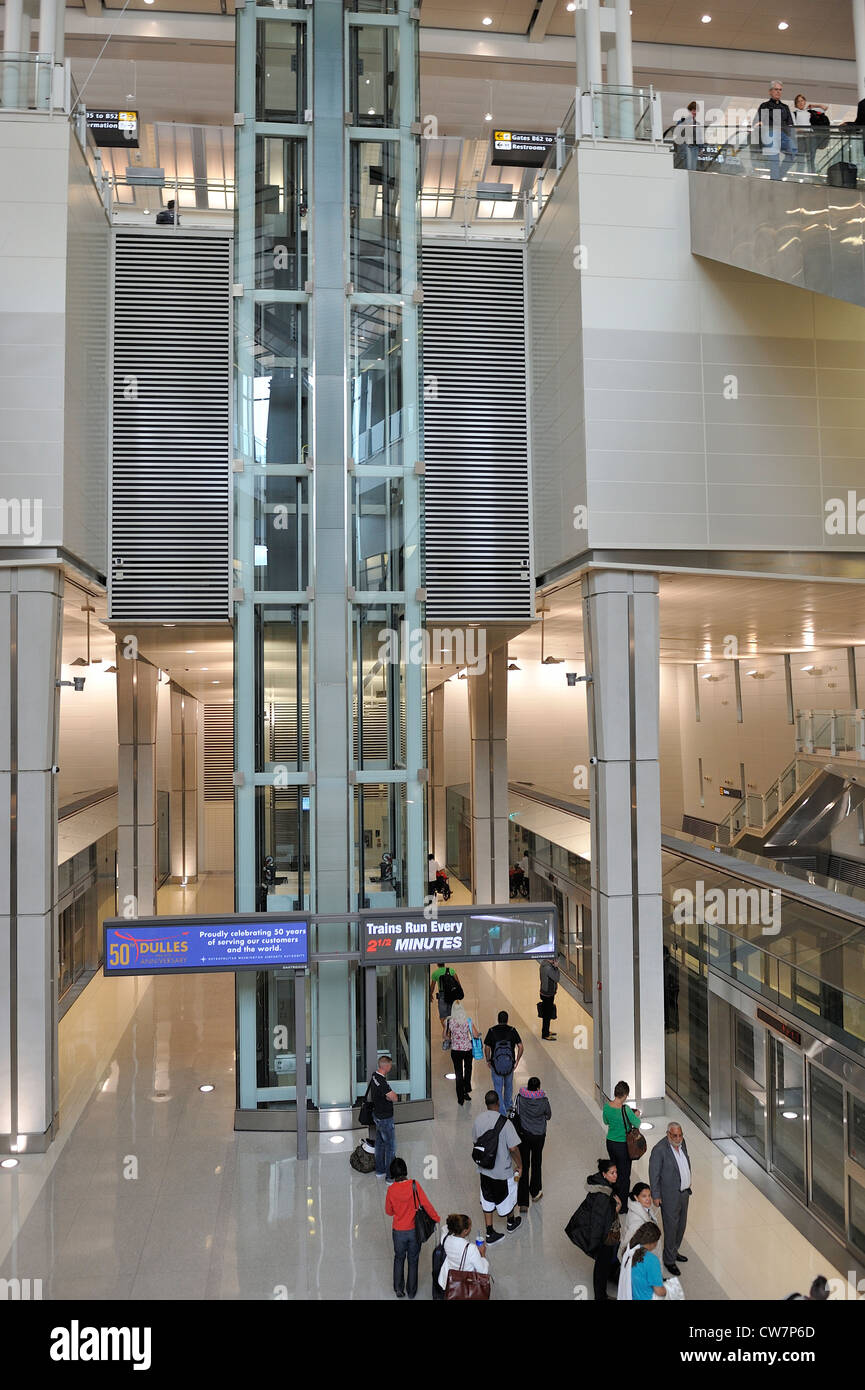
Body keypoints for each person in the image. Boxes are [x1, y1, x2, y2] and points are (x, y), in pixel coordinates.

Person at [385, 1157, 440, 1299]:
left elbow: (389, 1211)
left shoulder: (391, 1190)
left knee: (399, 1258)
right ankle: (411, 1291)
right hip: (414, 1231)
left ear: (392, 1174)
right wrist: (436, 1218)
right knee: (413, 1260)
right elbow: (426, 1205)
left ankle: (398, 1288)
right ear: (405, 1170)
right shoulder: (414, 1185)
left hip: (398, 1232)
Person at [472, 1090, 523, 1242]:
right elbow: (513, 1148)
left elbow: (475, 1142)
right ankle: (511, 1222)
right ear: (498, 1103)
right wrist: (520, 1165)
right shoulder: (505, 1123)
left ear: (486, 1103)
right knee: (508, 1195)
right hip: (502, 1170)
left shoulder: (478, 1120)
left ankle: (489, 1232)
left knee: (487, 1197)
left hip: (485, 1169)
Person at [649, 1121, 693, 1275]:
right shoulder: (659, 1150)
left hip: (684, 1193)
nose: (678, 1138)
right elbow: (653, 1174)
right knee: (671, 1228)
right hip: (669, 1196)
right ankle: (669, 1260)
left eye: (680, 1135)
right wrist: (655, 1195)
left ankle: (674, 1251)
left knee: (681, 1226)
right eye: (675, 1135)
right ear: (668, 1134)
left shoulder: (682, 1143)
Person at [583, 1159, 622, 1301]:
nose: (615, 1175)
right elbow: (600, 1220)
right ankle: (600, 1296)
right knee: (601, 1266)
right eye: (612, 1173)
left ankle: (612, 1275)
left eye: (616, 1172)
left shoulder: (605, 1186)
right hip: (605, 1237)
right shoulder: (603, 1195)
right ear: (604, 1174)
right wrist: (615, 1209)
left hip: (607, 1235)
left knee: (607, 1261)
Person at [514, 1075, 551, 1211]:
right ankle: (535, 1192)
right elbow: (548, 1115)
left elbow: (516, 1112)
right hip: (539, 1136)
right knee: (537, 1162)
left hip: (524, 1135)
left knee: (524, 1164)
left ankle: (523, 1202)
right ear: (538, 1088)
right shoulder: (543, 1100)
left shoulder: (520, 1098)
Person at [603, 1080, 642, 1208]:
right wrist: (636, 1115)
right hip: (623, 1146)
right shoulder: (625, 1109)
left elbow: (606, 1121)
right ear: (625, 1095)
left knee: (614, 1171)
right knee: (624, 1175)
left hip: (610, 1143)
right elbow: (637, 1124)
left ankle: (613, 1198)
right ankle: (623, 1205)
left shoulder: (607, 1106)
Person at [437, 1214, 490, 1295]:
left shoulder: (444, 1238)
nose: (471, 1228)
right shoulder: (471, 1249)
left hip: (447, 1279)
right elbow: (483, 1271)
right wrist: (482, 1254)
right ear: (465, 1231)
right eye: (470, 1227)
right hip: (465, 1283)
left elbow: (445, 1227)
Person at [483, 1010, 523, 1115]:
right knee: (509, 1086)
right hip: (509, 1065)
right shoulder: (512, 1030)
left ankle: (501, 1112)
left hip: (496, 1065)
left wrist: (488, 1060)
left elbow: (487, 1047)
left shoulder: (492, 1031)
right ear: (507, 1020)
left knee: (498, 1088)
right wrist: (517, 1060)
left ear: (498, 1019)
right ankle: (509, 1107)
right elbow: (520, 1046)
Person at [755, 81, 797, 180]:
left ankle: (778, 177)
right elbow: (758, 122)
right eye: (776, 89)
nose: (778, 92)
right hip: (770, 135)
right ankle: (775, 180)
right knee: (775, 160)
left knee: (793, 152)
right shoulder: (764, 106)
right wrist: (760, 123)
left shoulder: (785, 107)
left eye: (780, 90)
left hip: (783, 135)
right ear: (770, 92)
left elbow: (790, 124)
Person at [444, 1000, 481, 1105]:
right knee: (468, 1070)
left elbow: (445, 1036)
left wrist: (452, 1038)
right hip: (467, 1050)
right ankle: (466, 1090)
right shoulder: (468, 1021)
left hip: (455, 1051)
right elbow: (475, 1035)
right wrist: (478, 1034)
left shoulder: (449, 1021)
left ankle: (460, 1097)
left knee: (458, 1072)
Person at [368, 1052, 398, 1180]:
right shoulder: (382, 1082)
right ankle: (390, 1177)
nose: (391, 1068)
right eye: (390, 1066)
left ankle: (380, 1170)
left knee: (380, 1144)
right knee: (390, 1146)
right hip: (385, 1117)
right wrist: (390, 1096)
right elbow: (394, 1097)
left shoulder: (374, 1076)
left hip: (377, 1115)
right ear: (385, 1066)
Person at [618, 1182, 662, 1261]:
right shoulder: (637, 1222)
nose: (648, 1199)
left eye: (649, 1195)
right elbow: (626, 1243)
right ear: (636, 1197)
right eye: (644, 1196)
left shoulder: (645, 1209)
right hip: (641, 1259)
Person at [625, 1222, 666, 1300]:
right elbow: (659, 1291)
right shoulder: (652, 1261)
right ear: (653, 1243)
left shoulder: (629, 1249)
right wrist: (668, 1290)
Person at [430, 961, 462, 1045]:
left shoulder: (435, 973)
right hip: (452, 995)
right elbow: (458, 983)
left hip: (442, 996)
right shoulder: (451, 970)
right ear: (444, 964)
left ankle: (447, 1031)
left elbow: (432, 986)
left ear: (437, 964)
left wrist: (430, 995)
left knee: (443, 1016)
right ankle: (451, 1032)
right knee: (451, 1014)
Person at [538, 957, 559, 1040]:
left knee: (547, 1013)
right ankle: (545, 1034)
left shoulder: (543, 964)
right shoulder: (548, 968)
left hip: (544, 992)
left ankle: (546, 1030)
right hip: (548, 994)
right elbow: (557, 978)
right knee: (547, 1014)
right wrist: (556, 968)